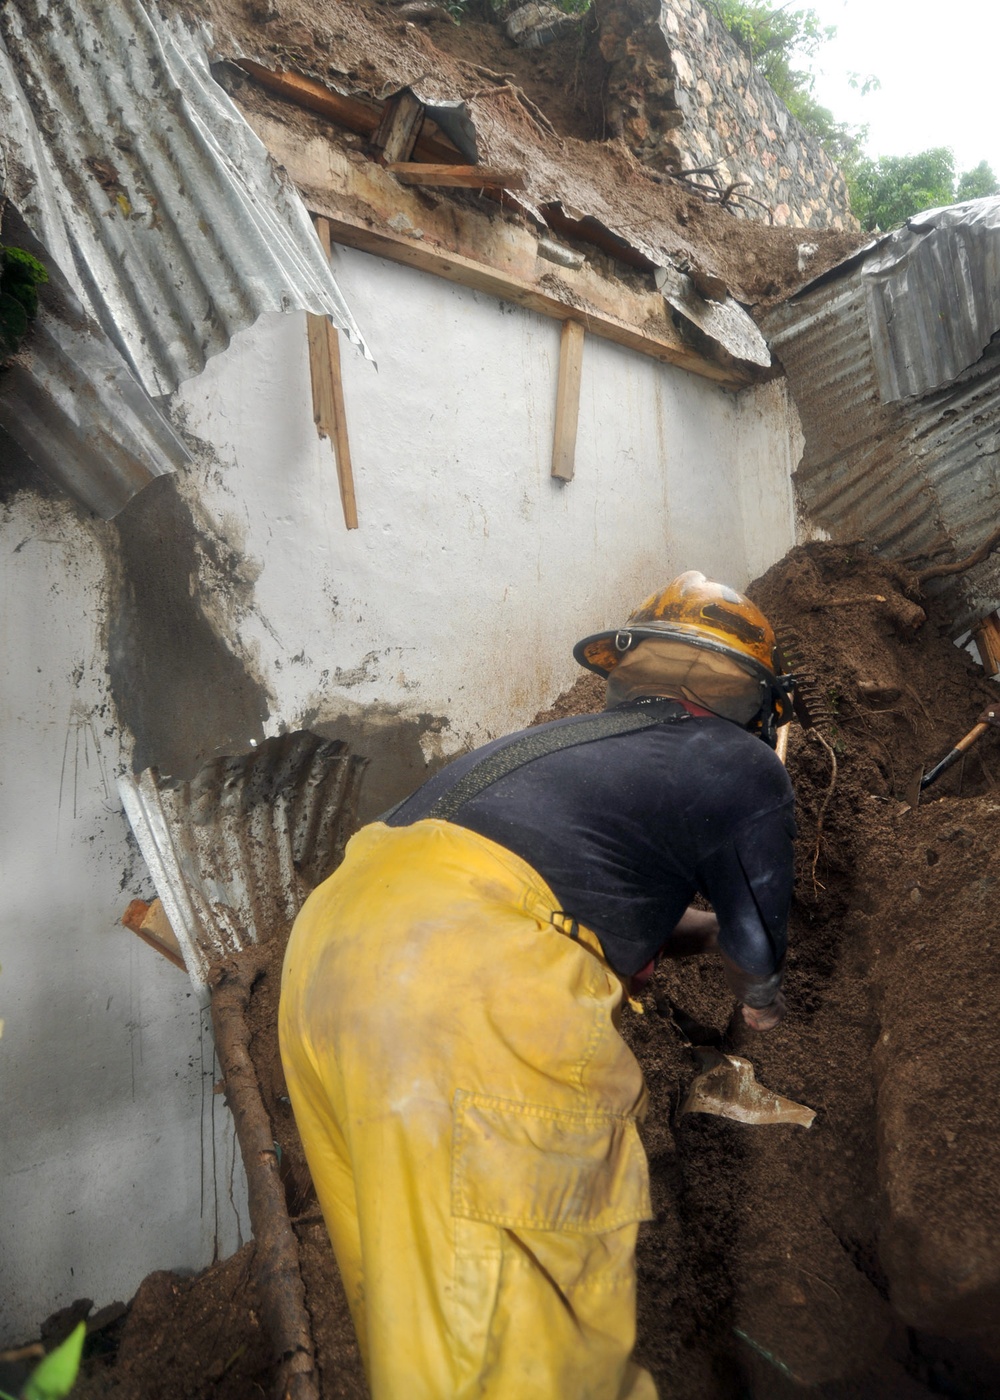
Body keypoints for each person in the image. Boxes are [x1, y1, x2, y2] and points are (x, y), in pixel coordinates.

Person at [279, 571, 797, 1400]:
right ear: (758, 700)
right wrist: (761, 1005)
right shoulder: (740, 762)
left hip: (336, 958)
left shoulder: (565, 755)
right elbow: (757, 934)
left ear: (630, 671)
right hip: (459, 995)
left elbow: (552, 891)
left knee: (426, 1316)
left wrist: (682, 934)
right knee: (523, 1354)